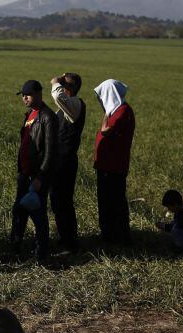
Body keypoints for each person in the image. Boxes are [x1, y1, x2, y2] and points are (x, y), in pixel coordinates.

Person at [11, 80, 58, 261]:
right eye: (23, 95)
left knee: (37, 213)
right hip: (24, 173)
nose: (24, 98)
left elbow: (50, 151)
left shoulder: (47, 117)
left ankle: (41, 252)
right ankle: (15, 246)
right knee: (19, 211)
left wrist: (40, 176)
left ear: (39, 94)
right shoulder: (30, 114)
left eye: (28, 95)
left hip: (37, 175)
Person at [94, 79, 135, 245]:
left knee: (112, 202)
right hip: (109, 165)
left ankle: (114, 237)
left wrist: (105, 116)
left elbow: (106, 131)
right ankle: (113, 235)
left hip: (113, 166)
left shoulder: (121, 112)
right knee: (110, 201)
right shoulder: (118, 110)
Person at [50, 73, 86, 252]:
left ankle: (70, 242)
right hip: (59, 160)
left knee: (64, 202)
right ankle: (64, 237)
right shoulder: (68, 105)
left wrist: (56, 82)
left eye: (65, 83)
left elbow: (57, 95)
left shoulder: (75, 104)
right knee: (58, 201)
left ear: (69, 88)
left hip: (66, 161)